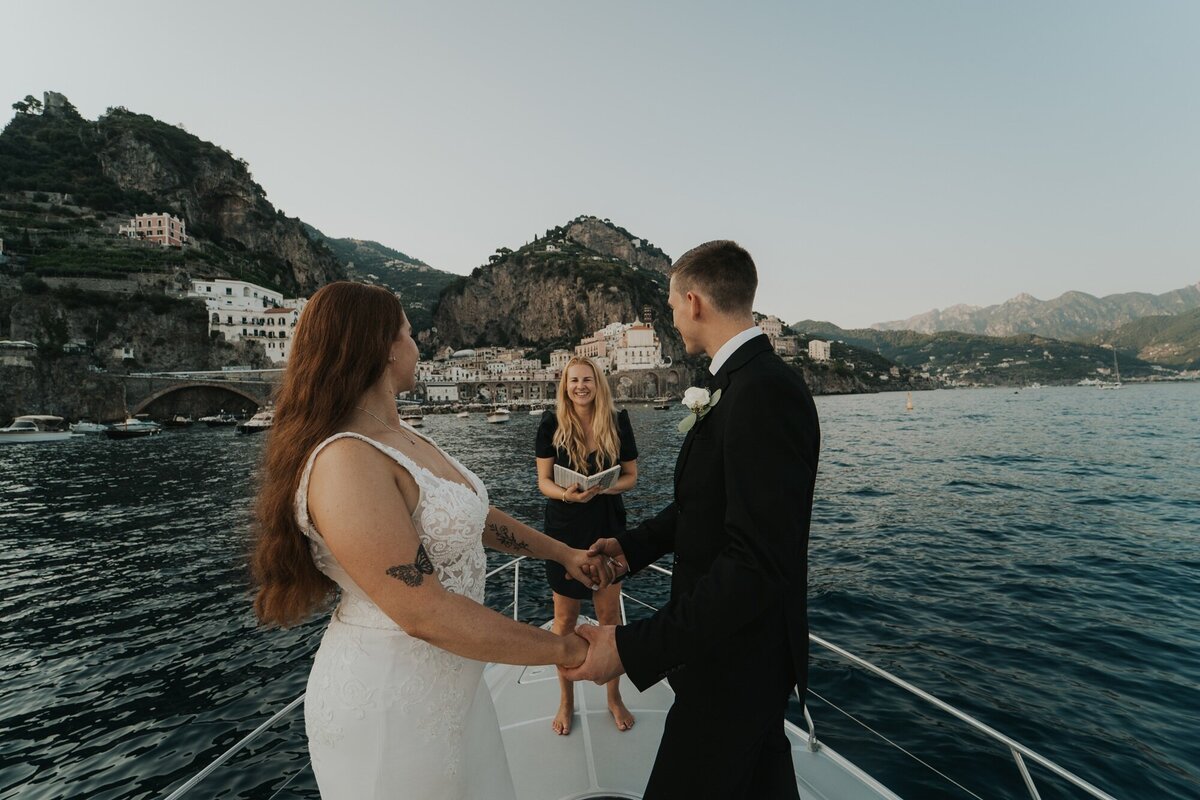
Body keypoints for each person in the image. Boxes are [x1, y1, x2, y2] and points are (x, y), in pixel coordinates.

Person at [251, 282, 612, 800]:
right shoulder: (346, 461)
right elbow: (423, 612)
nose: (417, 344)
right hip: (392, 705)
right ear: (382, 347)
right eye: (408, 333)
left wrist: (564, 554)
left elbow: (475, 517)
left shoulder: (406, 436)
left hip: (458, 686)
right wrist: (564, 648)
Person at [565, 241, 820, 799]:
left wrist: (631, 648)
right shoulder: (738, 385)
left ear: (695, 301)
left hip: (736, 664)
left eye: (673, 304)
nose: (672, 317)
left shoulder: (764, 393)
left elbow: (755, 562)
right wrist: (628, 550)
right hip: (726, 653)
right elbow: (701, 507)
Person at [535, 355, 639, 735]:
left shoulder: (617, 421)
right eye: (573, 380)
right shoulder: (551, 422)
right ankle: (566, 700)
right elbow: (543, 482)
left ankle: (613, 697)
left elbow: (631, 475)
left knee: (609, 618)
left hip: (608, 527)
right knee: (565, 620)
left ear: (598, 384)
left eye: (587, 380)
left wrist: (606, 487)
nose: (580, 386)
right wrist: (567, 495)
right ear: (565, 385)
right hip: (564, 529)